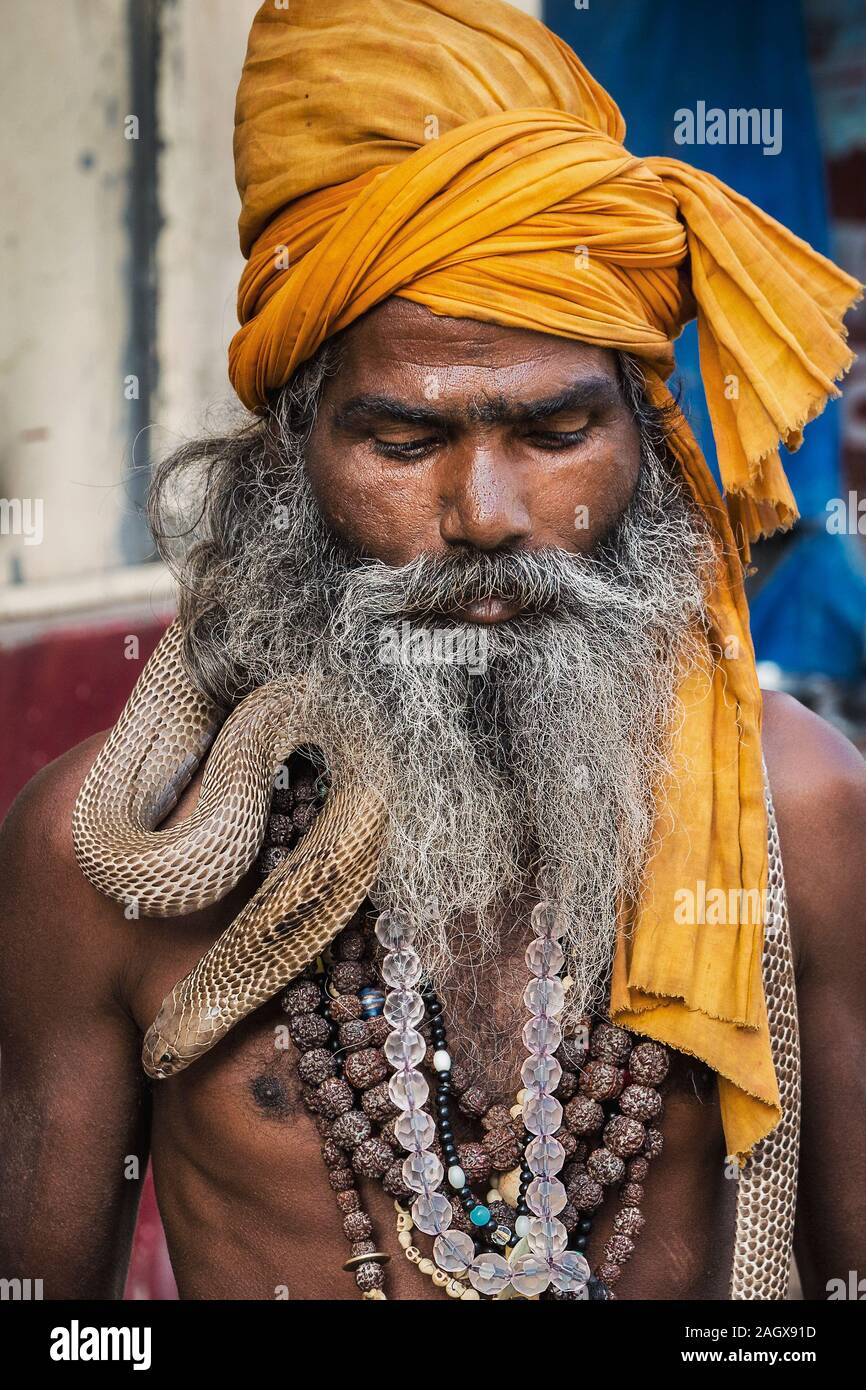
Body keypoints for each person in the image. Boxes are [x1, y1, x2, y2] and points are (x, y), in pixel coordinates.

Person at [1, 0, 864, 1301]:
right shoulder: (102, 856)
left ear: (649, 442)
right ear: (286, 464)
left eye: (556, 430)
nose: (486, 519)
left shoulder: (799, 818)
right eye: (403, 443)